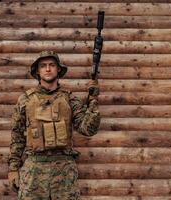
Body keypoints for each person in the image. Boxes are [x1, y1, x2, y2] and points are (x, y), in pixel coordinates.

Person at [7, 50, 101, 200]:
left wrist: (93, 101)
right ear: (37, 71)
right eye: (43, 66)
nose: (48, 69)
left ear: (58, 69)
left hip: (64, 172)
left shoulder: (70, 99)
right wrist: (13, 169)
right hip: (33, 171)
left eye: (52, 65)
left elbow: (88, 129)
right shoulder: (25, 100)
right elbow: (17, 137)